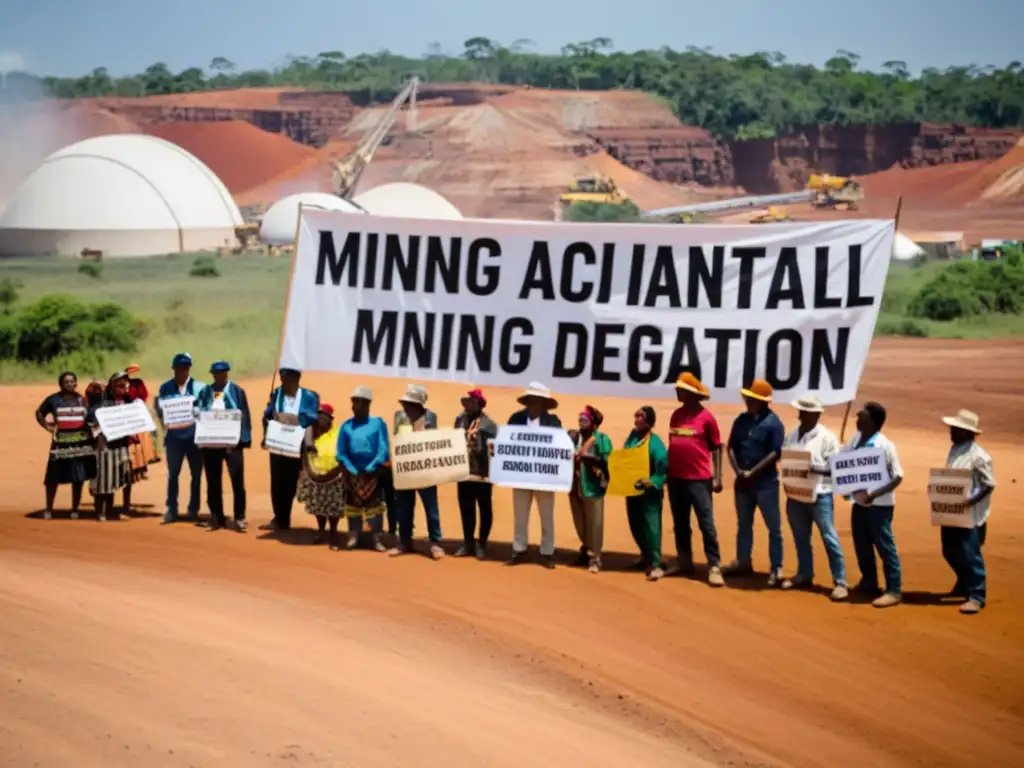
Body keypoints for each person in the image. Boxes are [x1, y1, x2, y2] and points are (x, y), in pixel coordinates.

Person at [780, 394, 847, 601]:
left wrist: (814, 469)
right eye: (801, 411)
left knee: (828, 536)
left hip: (820, 495)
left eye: (806, 412)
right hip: (795, 495)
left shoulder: (828, 438)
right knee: (801, 537)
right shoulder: (792, 436)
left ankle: (840, 581)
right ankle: (804, 573)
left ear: (816, 414)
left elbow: (836, 469)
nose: (801, 415)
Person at [666, 373, 725, 587]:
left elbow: (717, 446)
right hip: (675, 479)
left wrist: (718, 476)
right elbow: (673, 443)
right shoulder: (676, 415)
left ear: (692, 394)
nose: (677, 392)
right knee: (680, 523)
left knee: (706, 524)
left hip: (699, 480)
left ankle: (714, 565)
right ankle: (684, 561)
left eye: (681, 389)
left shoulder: (706, 418)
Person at [726, 379, 786, 586]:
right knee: (744, 524)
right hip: (742, 483)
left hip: (765, 484)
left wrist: (753, 471)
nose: (747, 401)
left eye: (751, 398)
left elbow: (775, 452)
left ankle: (776, 568)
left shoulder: (774, 423)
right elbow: (731, 447)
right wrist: (739, 471)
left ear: (761, 401)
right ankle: (743, 562)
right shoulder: (741, 420)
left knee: (774, 528)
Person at [844, 401, 904, 608]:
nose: (857, 419)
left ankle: (893, 590)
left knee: (885, 546)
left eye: (862, 416)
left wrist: (874, 494)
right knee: (861, 544)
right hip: (859, 503)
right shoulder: (854, 440)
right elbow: (842, 465)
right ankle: (869, 582)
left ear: (874, 422)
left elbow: (898, 477)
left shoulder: (885, 445)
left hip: (880, 506)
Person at [940, 409, 995, 615]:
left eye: (955, 429)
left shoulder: (980, 456)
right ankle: (964, 582)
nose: (951, 432)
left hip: (970, 515)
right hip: (951, 511)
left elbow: (989, 484)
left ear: (967, 432)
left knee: (970, 554)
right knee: (949, 551)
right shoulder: (955, 449)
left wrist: (969, 502)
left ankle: (976, 596)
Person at [506, 382, 562, 569]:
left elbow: (560, 447)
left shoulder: (554, 422)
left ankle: (547, 552)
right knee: (520, 514)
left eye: (538, 401)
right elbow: (507, 442)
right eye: (531, 401)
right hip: (521, 476)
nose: (534, 404)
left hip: (545, 478)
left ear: (544, 404)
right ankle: (519, 549)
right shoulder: (515, 419)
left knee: (546, 516)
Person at [194, 360, 252, 532]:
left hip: (232, 445)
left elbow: (245, 415)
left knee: (237, 481)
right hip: (211, 444)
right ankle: (216, 516)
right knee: (213, 482)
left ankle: (239, 517)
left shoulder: (236, 391)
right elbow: (197, 410)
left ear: (227, 373)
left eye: (222, 373)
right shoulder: (206, 392)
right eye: (215, 373)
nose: (219, 376)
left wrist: (243, 440)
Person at [262, 367, 320, 532]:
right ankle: (279, 517)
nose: (282, 380)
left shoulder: (309, 396)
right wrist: (269, 416)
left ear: (296, 378)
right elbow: (268, 415)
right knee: (276, 481)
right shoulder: (277, 394)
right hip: (278, 443)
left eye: (285, 377)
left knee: (290, 481)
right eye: (281, 376)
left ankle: (283, 515)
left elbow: (311, 417)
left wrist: (292, 421)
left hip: (296, 445)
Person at [390, 384, 445, 559]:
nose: (405, 406)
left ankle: (435, 543)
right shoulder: (399, 417)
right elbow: (397, 440)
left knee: (431, 509)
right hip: (405, 471)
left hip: (426, 471)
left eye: (409, 403)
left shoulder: (430, 417)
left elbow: (433, 441)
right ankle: (404, 542)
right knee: (404, 509)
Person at [36, 371, 96, 520]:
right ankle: (49, 509)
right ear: (61, 384)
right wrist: (47, 426)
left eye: (72, 381)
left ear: (76, 383)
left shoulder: (83, 400)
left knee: (78, 477)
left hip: (81, 443)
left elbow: (94, 414)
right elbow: (39, 412)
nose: (69, 384)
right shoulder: (53, 400)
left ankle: (75, 509)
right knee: (53, 478)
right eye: (66, 382)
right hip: (60, 443)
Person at [336, 386, 389, 551]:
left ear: (367, 404)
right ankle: (354, 536)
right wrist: (352, 469)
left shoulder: (378, 423)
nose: (353, 406)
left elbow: (383, 448)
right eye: (353, 403)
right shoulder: (346, 426)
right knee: (352, 507)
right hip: (352, 473)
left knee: (374, 507)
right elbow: (341, 452)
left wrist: (372, 466)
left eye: (357, 403)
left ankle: (376, 538)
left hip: (372, 473)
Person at [156, 353, 205, 524]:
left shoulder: (200, 387)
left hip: (195, 438)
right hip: (174, 439)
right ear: (174, 369)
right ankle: (171, 508)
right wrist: (164, 423)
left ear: (189, 368)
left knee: (197, 475)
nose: (182, 371)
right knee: (173, 475)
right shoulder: (165, 388)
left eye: (185, 368)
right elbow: (160, 409)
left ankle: (193, 508)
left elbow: (205, 409)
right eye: (178, 368)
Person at [624, 406, 669, 581]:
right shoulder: (632, 437)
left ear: (649, 420)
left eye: (641, 417)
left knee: (652, 527)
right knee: (635, 524)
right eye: (635, 416)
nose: (637, 420)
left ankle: (657, 563)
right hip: (632, 490)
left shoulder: (655, 443)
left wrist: (652, 481)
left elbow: (663, 470)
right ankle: (645, 555)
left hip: (649, 494)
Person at [453, 388, 497, 559]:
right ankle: (468, 542)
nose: (467, 405)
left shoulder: (489, 424)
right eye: (465, 402)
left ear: (479, 404)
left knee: (485, 509)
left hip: (483, 474)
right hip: (464, 472)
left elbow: (495, 447)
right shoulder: (459, 420)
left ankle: (482, 542)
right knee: (466, 508)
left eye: (471, 402)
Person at [568, 405, 612, 573]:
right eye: (580, 419)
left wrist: (589, 458)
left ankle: (595, 558)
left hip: (593, 487)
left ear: (593, 423)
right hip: (575, 485)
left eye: (585, 420)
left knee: (595, 523)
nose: (581, 422)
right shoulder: (575, 437)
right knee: (580, 521)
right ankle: (586, 550)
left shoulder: (601, 439)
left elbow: (607, 459)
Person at [86, 372, 135, 522]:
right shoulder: (103, 402)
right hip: (106, 445)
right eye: (120, 384)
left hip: (122, 445)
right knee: (103, 480)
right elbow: (90, 420)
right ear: (112, 386)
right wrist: (99, 437)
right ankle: (100, 512)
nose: (124, 387)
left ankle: (111, 510)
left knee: (116, 479)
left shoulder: (128, 402)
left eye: (125, 384)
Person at [297, 403, 346, 550]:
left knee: (334, 507)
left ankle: (333, 532)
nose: (320, 418)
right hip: (315, 476)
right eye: (318, 415)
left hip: (334, 476)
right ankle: (321, 530)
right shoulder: (310, 434)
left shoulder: (337, 434)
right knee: (318, 506)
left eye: (323, 416)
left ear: (330, 419)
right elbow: (303, 453)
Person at [126, 362, 160, 463]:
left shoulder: (138, 382)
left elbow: (144, 395)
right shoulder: (128, 383)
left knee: (151, 429)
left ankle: (152, 453)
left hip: (139, 406)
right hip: (132, 408)